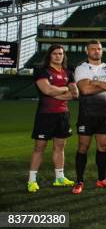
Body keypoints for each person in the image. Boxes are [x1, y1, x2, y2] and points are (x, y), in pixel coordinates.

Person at [27, 44, 78, 193]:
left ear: (64, 56)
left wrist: (56, 92)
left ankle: (59, 178)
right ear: (50, 55)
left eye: (61, 54)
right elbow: (46, 89)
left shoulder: (69, 72)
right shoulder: (41, 71)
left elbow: (75, 94)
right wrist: (64, 88)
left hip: (62, 114)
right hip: (45, 114)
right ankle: (32, 180)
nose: (58, 56)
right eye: (55, 53)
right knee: (39, 147)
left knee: (60, 146)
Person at [72, 40, 106, 194]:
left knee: (103, 147)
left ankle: (101, 179)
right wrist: (103, 84)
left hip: (104, 113)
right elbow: (84, 89)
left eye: (99, 49)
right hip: (87, 114)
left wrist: (95, 83)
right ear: (87, 51)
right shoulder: (81, 68)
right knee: (83, 147)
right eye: (93, 49)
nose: (96, 51)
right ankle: (79, 180)